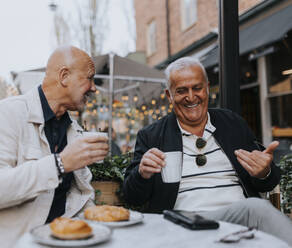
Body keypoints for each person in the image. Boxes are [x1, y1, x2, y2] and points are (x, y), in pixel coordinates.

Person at [123, 57, 292, 245]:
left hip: (239, 218)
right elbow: (132, 197)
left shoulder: (232, 124)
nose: (191, 96)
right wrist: (142, 174)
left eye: (197, 88)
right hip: (183, 224)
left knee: (258, 209)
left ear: (207, 88)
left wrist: (264, 172)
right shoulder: (151, 136)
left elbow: (268, 183)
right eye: (181, 91)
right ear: (169, 95)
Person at [0, 46, 109, 248]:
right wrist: (59, 164)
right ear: (64, 76)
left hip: (52, 240)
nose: (94, 87)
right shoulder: (7, 114)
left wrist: (98, 231)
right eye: (89, 78)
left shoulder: (74, 130)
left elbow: (80, 196)